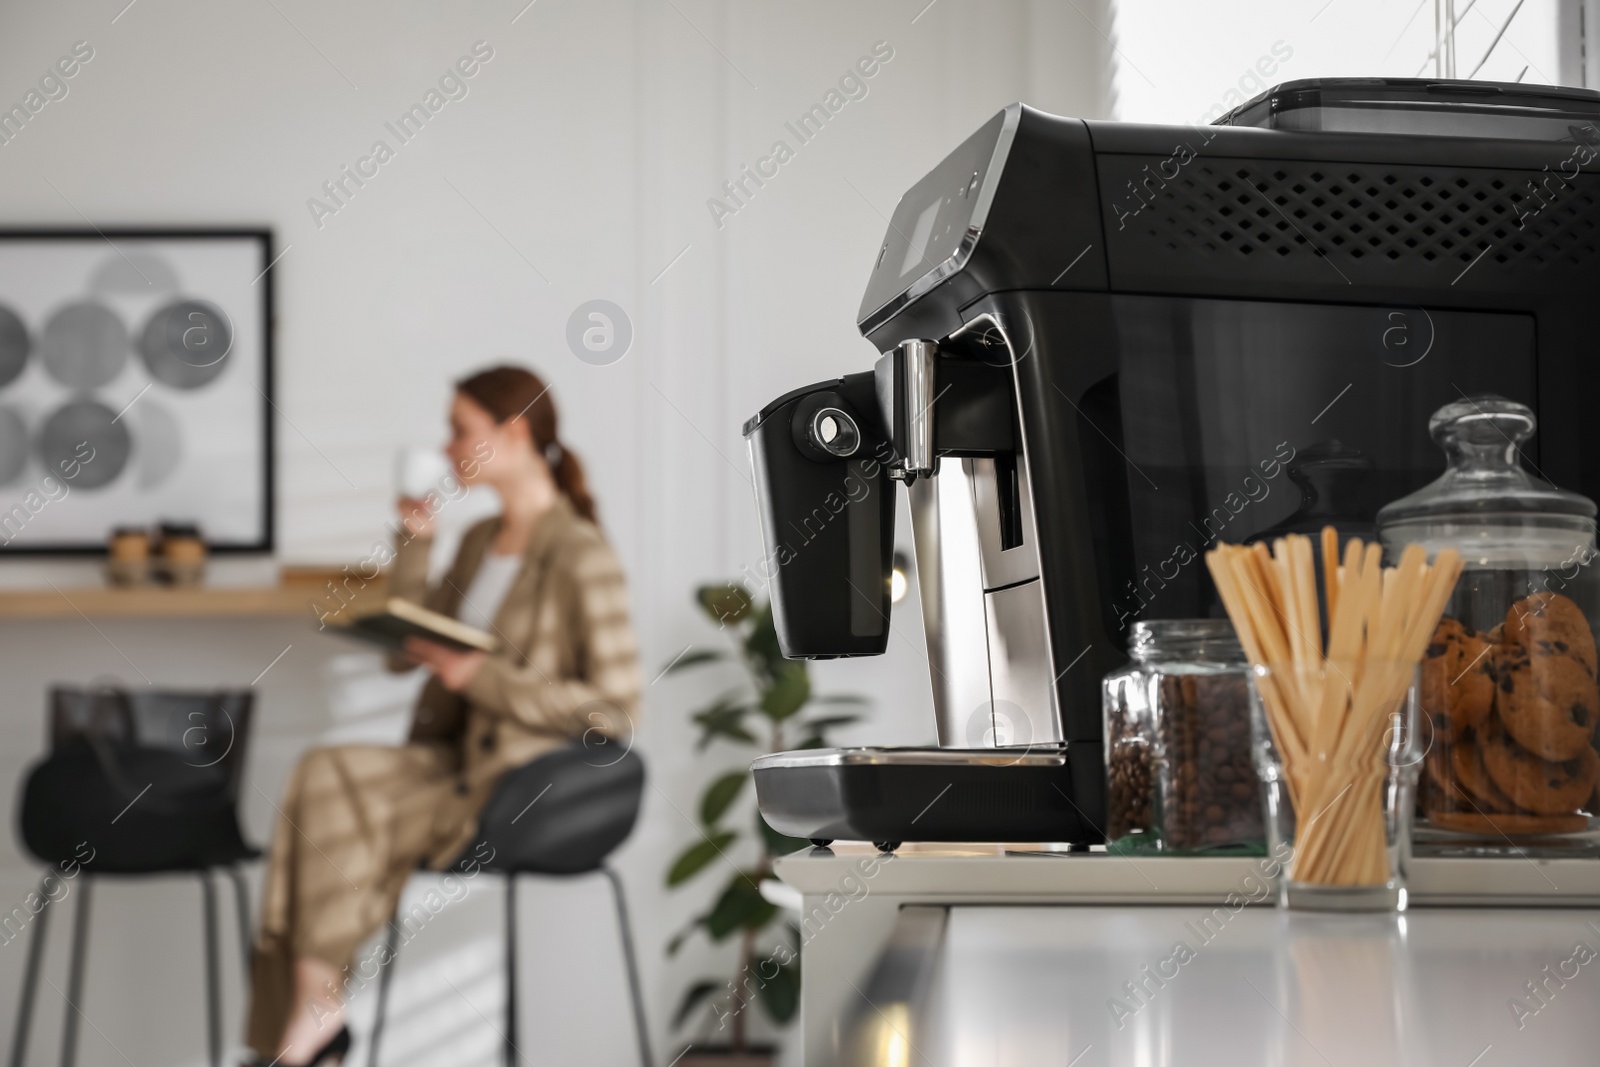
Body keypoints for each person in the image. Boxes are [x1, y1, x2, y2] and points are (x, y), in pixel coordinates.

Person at [245, 366, 642, 1066]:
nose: (447, 444)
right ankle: (318, 1004)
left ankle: (313, 1026)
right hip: (453, 758)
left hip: (520, 780)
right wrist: (416, 539)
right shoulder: (478, 539)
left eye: (461, 429)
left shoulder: (581, 554)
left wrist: (481, 676)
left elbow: (616, 711)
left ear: (513, 433)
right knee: (324, 770)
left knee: (351, 803)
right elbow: (407, 656)